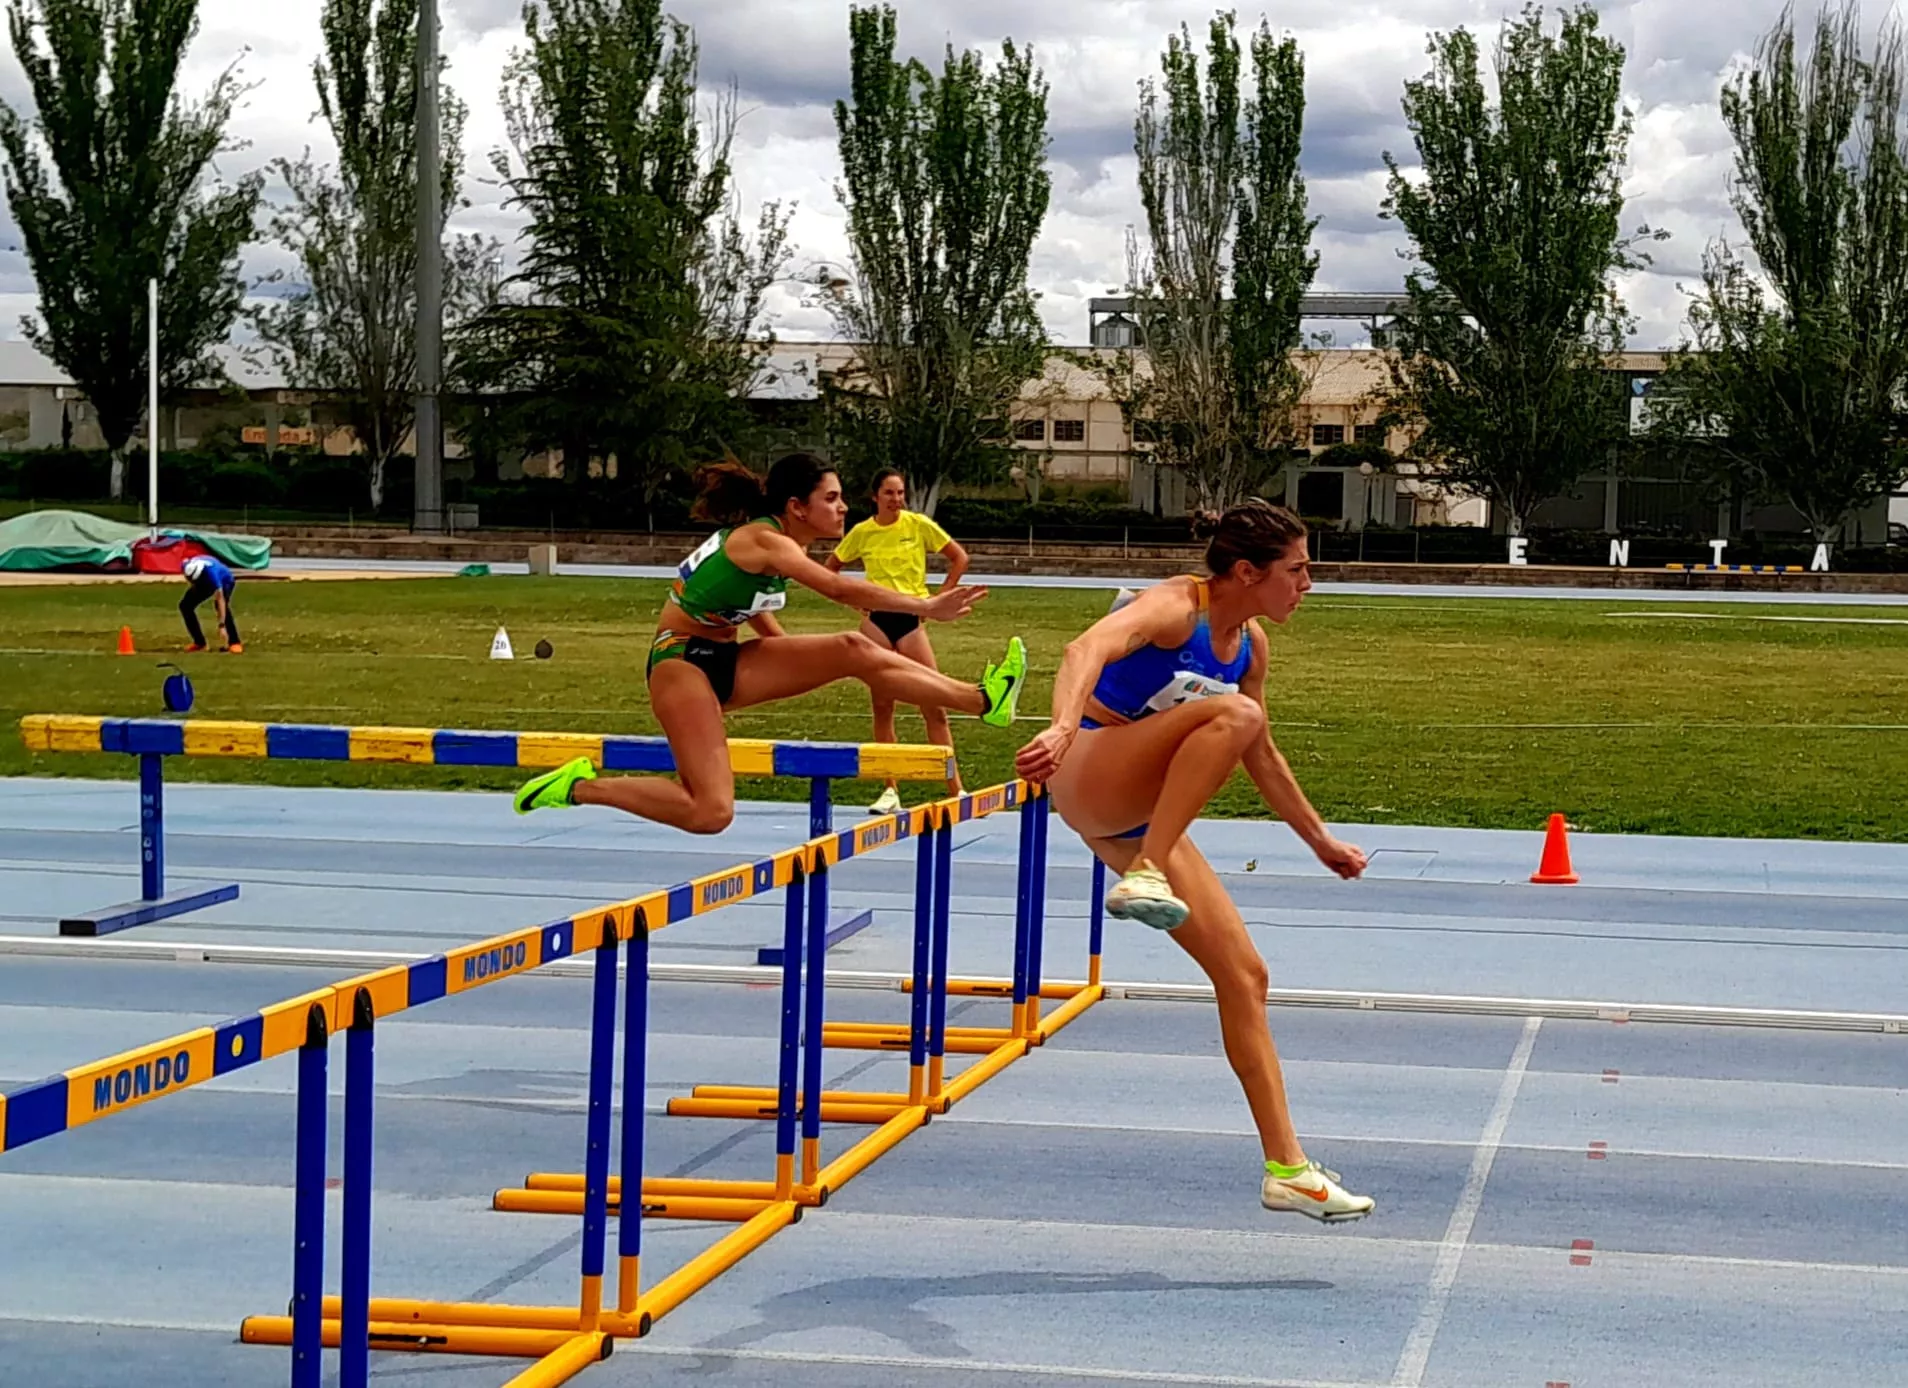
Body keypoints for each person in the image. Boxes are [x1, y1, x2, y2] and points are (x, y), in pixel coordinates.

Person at [1013, 498, 1374, 1223]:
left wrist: (1320, 842)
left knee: (1245, 975)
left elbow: (1262, 758)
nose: (1309, 584)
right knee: (1237, 715)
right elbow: (1084, 650)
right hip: (1086, 769)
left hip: (1138, 818)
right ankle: (1147, 867)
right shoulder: (1176, 607)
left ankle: (1288, 1169)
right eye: (1298, 571)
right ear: (1247, 571)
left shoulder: (1250, 648)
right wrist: (1056, 730)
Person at [514, 453, 1028, 833]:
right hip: (679, 663)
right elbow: (837, 587)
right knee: (710, 812)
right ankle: (578, 787)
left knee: (853, 649)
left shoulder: (775, 541)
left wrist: (794, 660)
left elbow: (751, 611)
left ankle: (985, 700)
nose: (845, 507)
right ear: (796, 507)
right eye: (831, 498)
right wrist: (925, 606)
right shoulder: (764, 539)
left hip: (723, 656)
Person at [826, 469, 969, 811]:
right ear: (875, 496)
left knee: (933, 705)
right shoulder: (862, 532)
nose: (896, 499)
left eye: (900, 492)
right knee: (883, 706)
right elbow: (829, 570)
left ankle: (955, 789)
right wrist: (855, 602)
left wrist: (936, 602)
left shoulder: (917, 525)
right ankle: (890, 789)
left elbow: (959, 557)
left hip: (910, 619)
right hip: (876, 621)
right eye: (889, 493)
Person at [180, 554, 242, 653]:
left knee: (221, 607)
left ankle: (234, 642)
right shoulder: (186, 565)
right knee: (185, 606)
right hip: (203, 581)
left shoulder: (212, 575)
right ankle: (199, 643)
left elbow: (220, 599)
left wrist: (221, 626)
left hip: (226, 581)